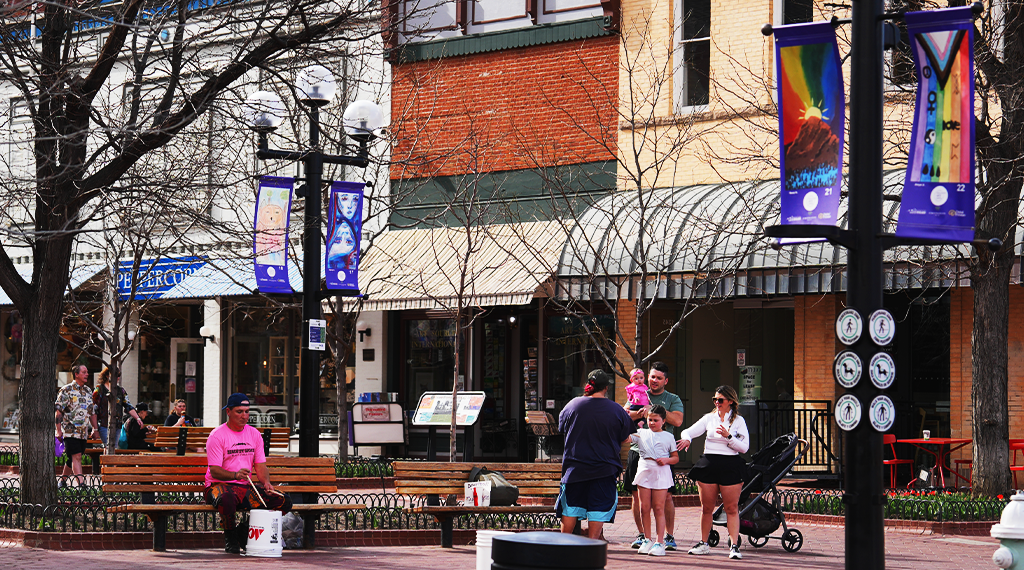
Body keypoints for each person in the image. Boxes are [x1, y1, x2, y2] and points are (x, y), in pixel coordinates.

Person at [204, 392, 292, 554]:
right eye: (239, 411)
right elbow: (215, 471)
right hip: (218, 486)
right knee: (227, 498)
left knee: (283, 501)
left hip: (244, 487)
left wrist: (266, 482)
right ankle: (231, 539)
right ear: (228, 412)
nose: (244, 416)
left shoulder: (254, 434)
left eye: (247, 412)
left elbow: (260, 465)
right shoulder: (217, 436)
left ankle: (243, 532)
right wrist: (235, 475)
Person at [557, 370, 636, 540]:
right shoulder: (616, 409)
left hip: (575, 469)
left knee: (570, 508)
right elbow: (624, 438)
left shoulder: (572, 405)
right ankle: (592, 546)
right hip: (604, 469)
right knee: (598, 510)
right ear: (606, 387)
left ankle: (562, 545)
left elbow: (563, 430)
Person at [676, 385, 750, 560]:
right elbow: (688, 431)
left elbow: (744, 448)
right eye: (715, 399)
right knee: (707, 508)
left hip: (730, 465)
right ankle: (703, 543)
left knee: (731, 508)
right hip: (709, 463)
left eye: (721, 400)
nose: (717, 402)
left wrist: (728, 437)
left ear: (730, 401)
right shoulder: (709, 418)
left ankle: (734, 546)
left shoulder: (738, 421)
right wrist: (687, 439)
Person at [624, 361, 684, 551]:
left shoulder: (672, 398)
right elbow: (624, 415)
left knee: (666, 497)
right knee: (637, 497)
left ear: (666, 380)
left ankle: (669, 536)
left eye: (659, 378)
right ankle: (643, 535)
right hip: (637, 451)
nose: (654, 381)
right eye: (652, 377)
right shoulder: (636, 390)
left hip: (663, 456)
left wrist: (654, 409)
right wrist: (637, 414)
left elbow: (678, 420)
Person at [628, 405, 678, 557]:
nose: (652, 423)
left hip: (661, 472)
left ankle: (660, 542)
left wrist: (667, 460)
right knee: (644, 507)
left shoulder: (669, 437)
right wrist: (623, 418)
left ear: (663, 421)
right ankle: (647, 539)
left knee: (658, 507)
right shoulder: (640, 433)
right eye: (650, 419)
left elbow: (676, 458)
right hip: (644, 469)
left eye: (656, 420)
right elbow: (625, 438)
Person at [55, 364, 99, 484]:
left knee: (73, 458)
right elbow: (59, 411)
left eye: (87, 372)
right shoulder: (66, 390)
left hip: (83, 432)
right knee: (77, 456)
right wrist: (58, 431)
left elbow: (92, 412)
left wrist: (95, 429)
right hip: (69, 431)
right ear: (77, 374)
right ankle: (81, 484)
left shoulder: (88, 390)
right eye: (84, 372)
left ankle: (62, 481)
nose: (87, 374)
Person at [93, 366, 143, 446]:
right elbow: (93, 409)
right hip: (104, 424)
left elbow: (128, 405)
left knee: (114, 447)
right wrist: (95, 428)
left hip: (117, 425)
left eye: (119, 375)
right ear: (107, 375)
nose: (118, 378)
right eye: (116, 375)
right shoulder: (100, 389)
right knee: (108, 446)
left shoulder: (121, 391)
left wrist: (137, 418)